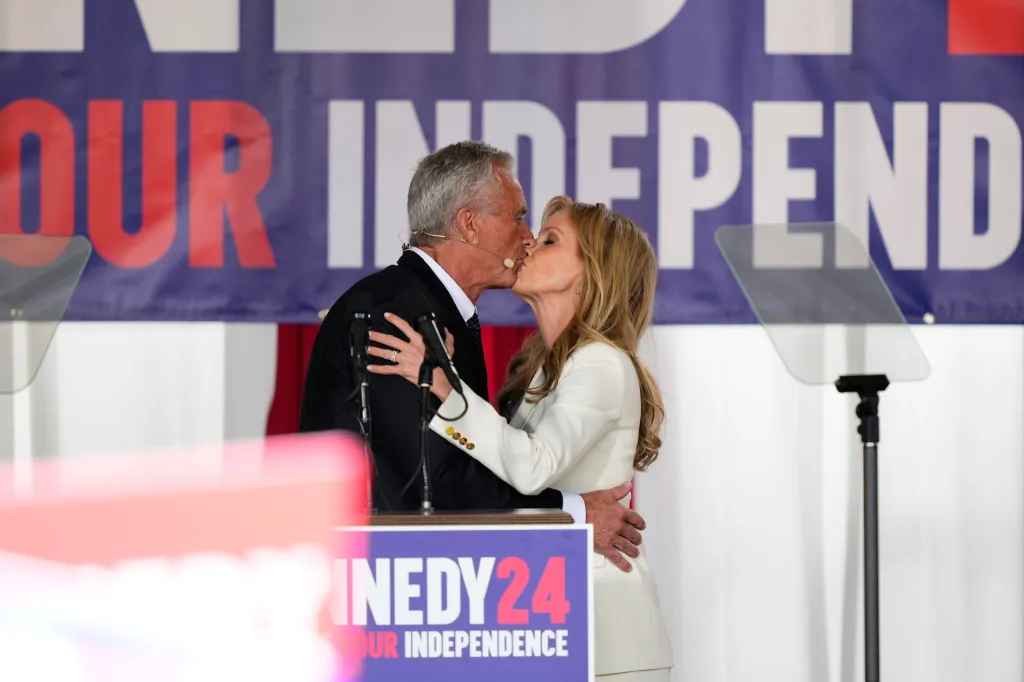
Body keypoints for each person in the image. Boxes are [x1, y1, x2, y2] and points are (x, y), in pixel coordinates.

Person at [299, 141, 645, 571]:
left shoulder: (431, 309)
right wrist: (575, 513)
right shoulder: (400, 312)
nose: (528, 237)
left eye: (546, 236)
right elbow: (437, 482)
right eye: (518, 217)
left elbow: (468, 466)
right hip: (384, 586)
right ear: (469, 224)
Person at [368, 195, 673, 680]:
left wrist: (446, 388)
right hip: (551, 618)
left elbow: (532, 467)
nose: (529, 242)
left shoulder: (600, 362)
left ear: (590, 271)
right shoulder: (542, 369)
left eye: (550, 239)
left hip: (606, 635)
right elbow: (499, 470)